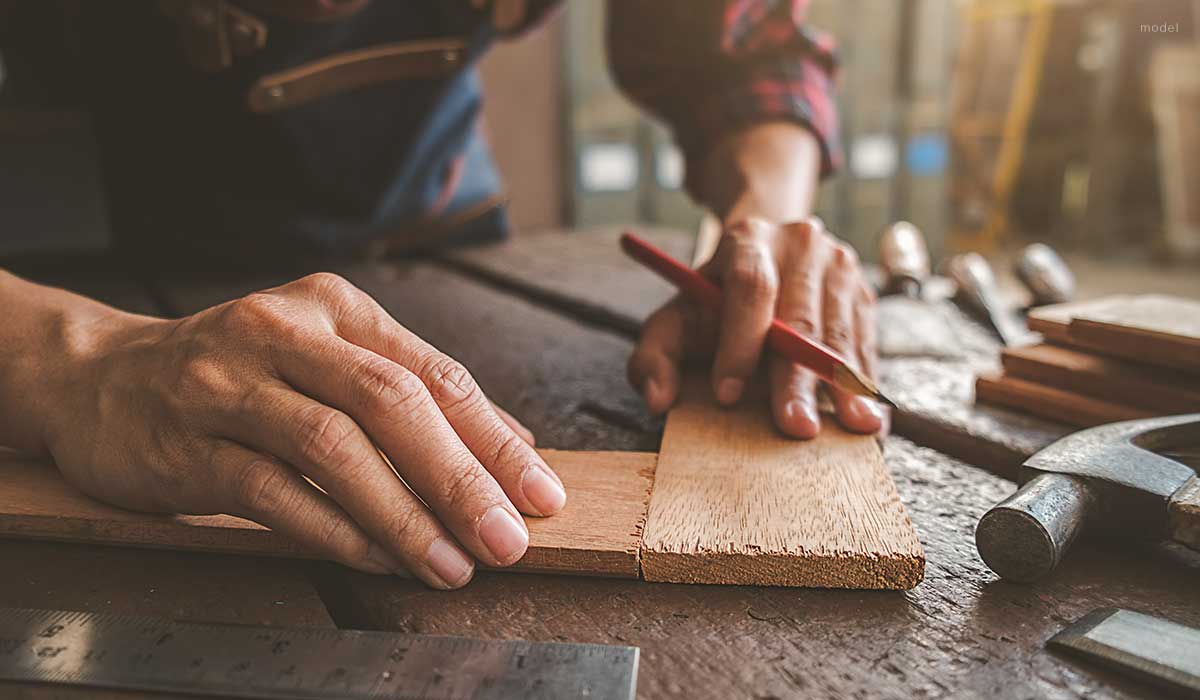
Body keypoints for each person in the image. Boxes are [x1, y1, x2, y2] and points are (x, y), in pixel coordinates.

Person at [0, 0, 883, 590]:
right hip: (96, 266)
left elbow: (744, 50)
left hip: (441, 240)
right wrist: (71, 356)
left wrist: (761, 225)